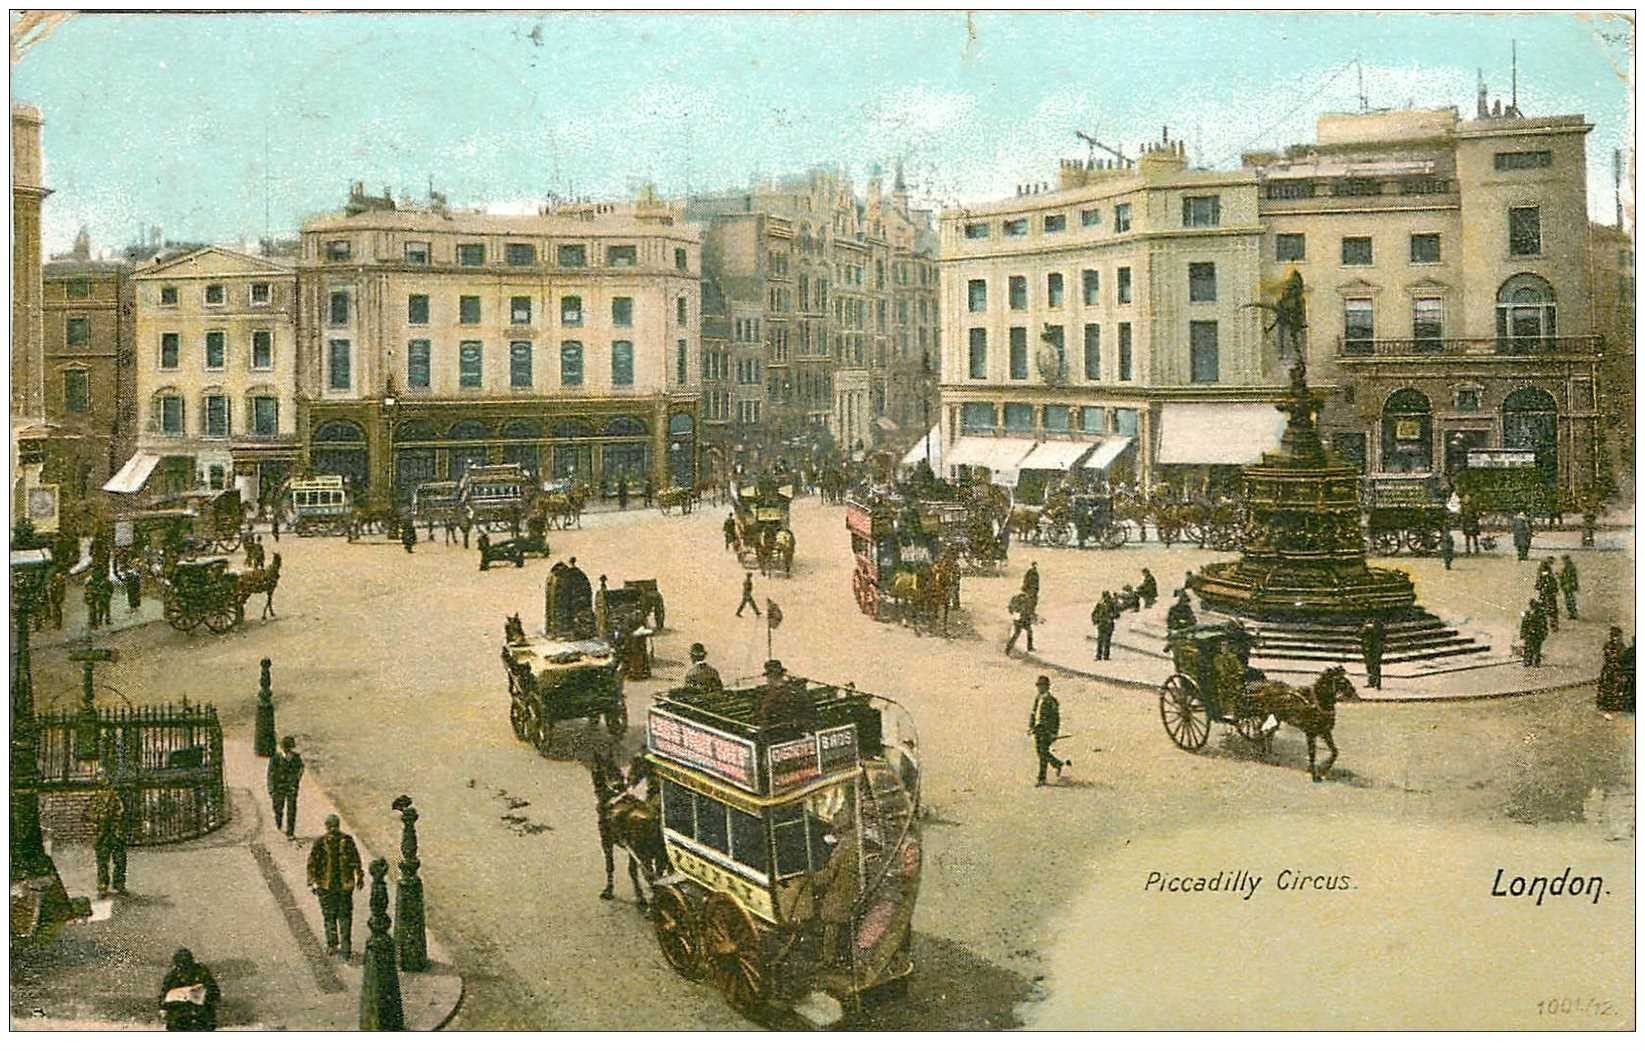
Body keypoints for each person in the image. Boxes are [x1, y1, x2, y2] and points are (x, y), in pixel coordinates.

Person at [306, 814, 364, 960]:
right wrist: (359, 877)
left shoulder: (329, 841)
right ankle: (341, 947)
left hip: (332, 886)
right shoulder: (331, 841)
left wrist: (359, 876)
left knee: (333, 916)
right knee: (340, 916)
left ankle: (337, 946)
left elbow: (312, 863)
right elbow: (356, 860)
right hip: (333, 886)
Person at [816, 808, 860, 964]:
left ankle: (828, 959)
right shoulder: (856, 840)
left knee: (831, 922)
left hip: (842, 891)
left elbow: (829, 874)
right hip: (855, 890)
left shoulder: (844, 846)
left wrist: (812, 878)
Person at [84, 775, 128, 897]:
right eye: (102, 787)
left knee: (120, 860)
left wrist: (115, 818)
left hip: (115, 833)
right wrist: (99, 818)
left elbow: (121, 812)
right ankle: (102, 886)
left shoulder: (116, 798)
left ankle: (119, 884)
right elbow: (87, 814)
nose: (105, 790)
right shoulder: (94, 800)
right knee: (102, 862)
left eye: (107, 787)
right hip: (101, 835)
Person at [159, 948, 220, 1031]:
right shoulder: (172, 977)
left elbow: (214, 993)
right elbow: (164, 997)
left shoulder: (201, 973)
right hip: (181, 1019)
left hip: (199, 1018)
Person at [1028, 675, 1069, 786]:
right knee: (1041, 752)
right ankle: (1057, 764)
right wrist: (1031, 726)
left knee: (1042, 753)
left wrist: (1054, 732)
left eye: (1041, 685)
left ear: (1047, 687)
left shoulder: (1051, 700)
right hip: (1038, 729)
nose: (1039, 688)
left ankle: (1042, 778)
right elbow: (1033, 713)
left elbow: (1056, 718)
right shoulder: (1038, 698)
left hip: (1046, 730)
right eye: (1038, 685)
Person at [267, 735, 304, 839]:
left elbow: (300, 769)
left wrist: (296, 781)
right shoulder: (275, 758)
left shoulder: (296, 758)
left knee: (291, 809)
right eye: (285, 748)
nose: (287, 750)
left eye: (289, 748)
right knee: (278, 808)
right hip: (278, 787)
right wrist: (271, 789)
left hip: (291, 787)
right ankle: (278, 822)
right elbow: (270, 774)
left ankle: (290, 832)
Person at [1213, 641, 1247, 722]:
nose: (1224, 648)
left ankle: (1235, 711)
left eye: (1225, 646)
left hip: (1233, 680)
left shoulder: (1233, 657)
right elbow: (1219, 670)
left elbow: (1240, 669)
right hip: (1221, 681)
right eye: (1222, 646)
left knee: (1237, 691)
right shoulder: (1217, 658)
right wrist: (1225, 676)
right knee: (1225, 693)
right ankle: (1227, 712)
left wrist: (1237, 675)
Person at [1598, 627, 1625, 710]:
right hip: (1611, 668)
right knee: (1609, 685)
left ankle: (1611, 703)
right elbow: (1609, 655)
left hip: (1613, 668)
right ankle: (1608, 703)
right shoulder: (1611, 645)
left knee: (1613, 685)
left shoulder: (1620, 645)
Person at [1006, 590, 1035, 655]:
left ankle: (1008, 648)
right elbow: (1027, 610)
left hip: (1021, 619)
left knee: (1025, 632)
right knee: (1020, 633)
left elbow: (1010, 608)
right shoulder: (1024, 599)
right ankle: (1008, 648)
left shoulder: (1018, 598)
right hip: (1021, 619)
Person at [1519, 601, 1547, 668]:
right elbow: (1524, 625)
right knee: (1529, 648)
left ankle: (1534, 661)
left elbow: (1543, 626)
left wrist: (1543, 634)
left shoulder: (1539, 614)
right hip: (1531, 634)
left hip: (1536, 634)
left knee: (1535, 648)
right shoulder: (1529, 614)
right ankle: (1529, 661)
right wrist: (1523, 634)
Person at [1535, 559, 1560, 633]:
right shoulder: (1550, 576)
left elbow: (1538, 586)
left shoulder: (1542, 575)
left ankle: (1544, 625)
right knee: (1552, 611)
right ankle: (1554, 625)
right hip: (1550, 595)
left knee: (1544, 610)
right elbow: (1554, 585)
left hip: (1544, 595)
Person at [1359, 619, 1385, 689]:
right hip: (1368, 648)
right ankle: (1371, 682)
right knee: (1369, 666)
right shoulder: (1366, 625)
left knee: (1375, 665)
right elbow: (1360, 634)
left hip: (1375, 649)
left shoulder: (1379, 625)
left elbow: (1381, 636)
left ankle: (1377, 682)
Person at [1090, 593, 1116, 661]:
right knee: (1100, 641)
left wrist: (1111, 617)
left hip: (1108, 625)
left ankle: (1105, 656)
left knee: (1107, 641)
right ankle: (1099, 656)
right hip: (1102, 624)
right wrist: (1096, 620)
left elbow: (1116, 614)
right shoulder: (1100, 604)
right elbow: (1094, 613)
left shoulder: (1112, 604)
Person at [1559, 555, 1580, 619]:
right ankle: (1572, 613)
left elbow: (1572, 578)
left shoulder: (1570, 567)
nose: (1564, 562)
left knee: (1570, 600)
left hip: (1569, 586)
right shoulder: (1567, 567)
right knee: (1569, 600)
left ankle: (1573, 614)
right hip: (1567, 586)